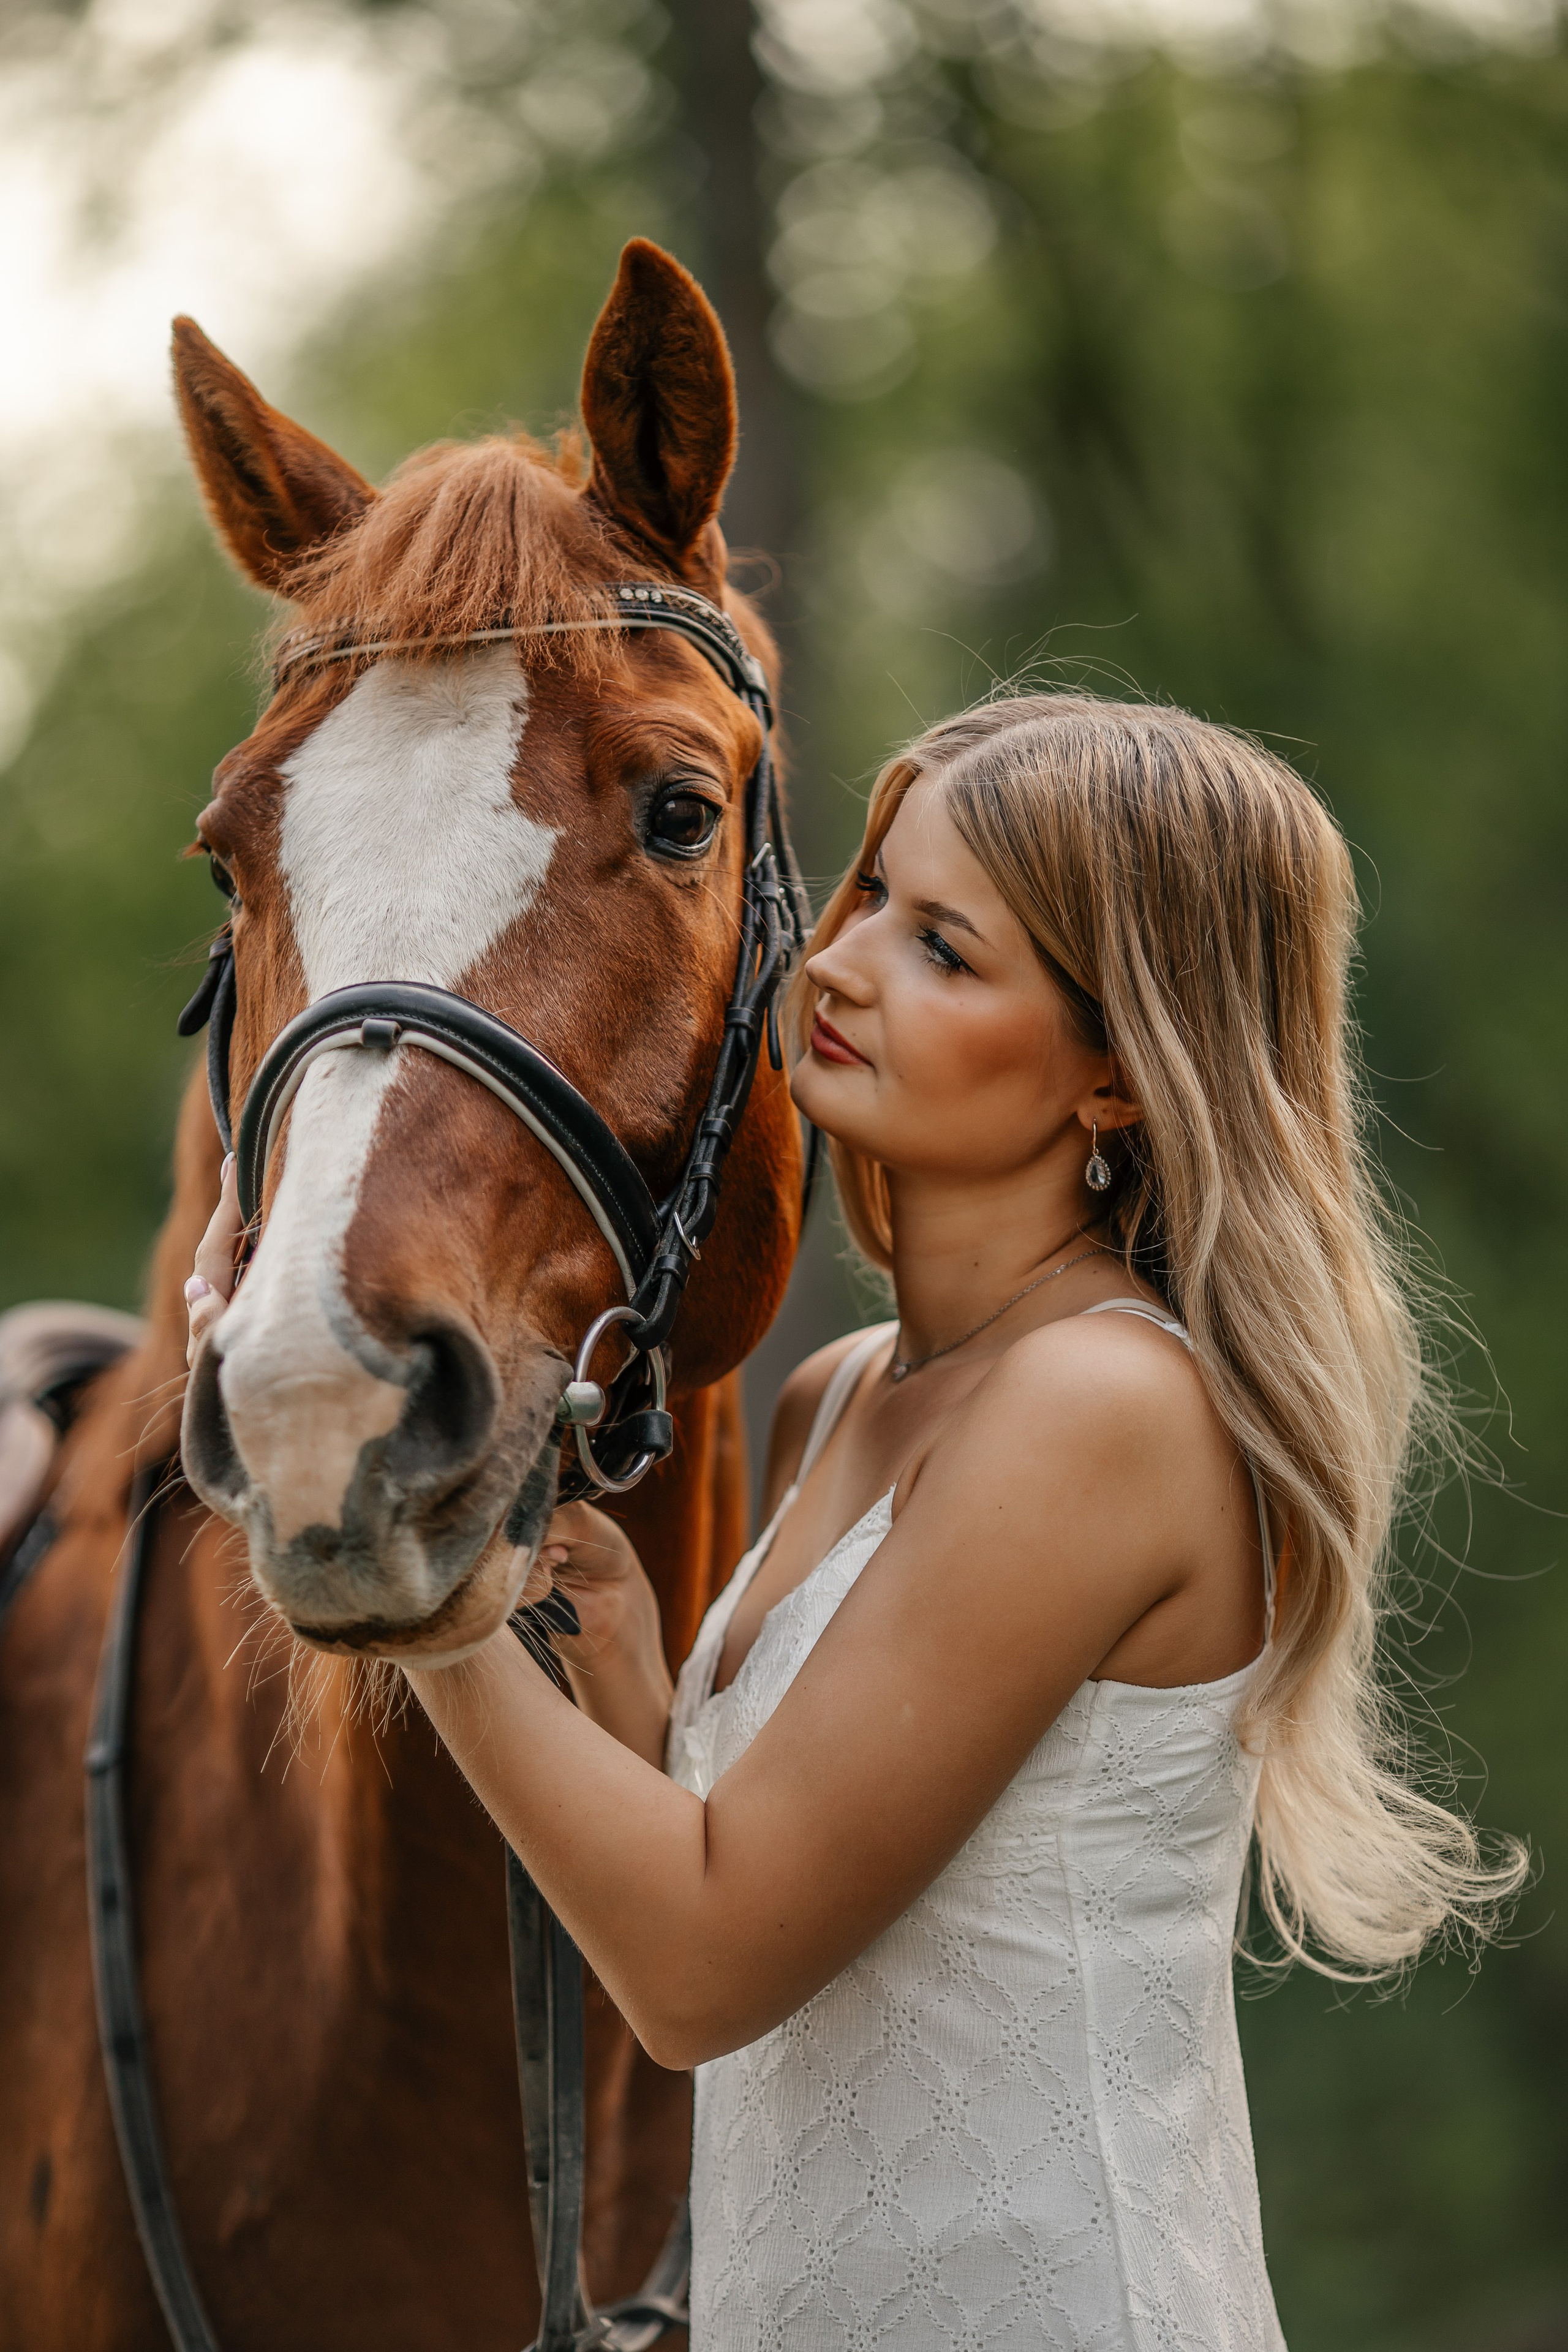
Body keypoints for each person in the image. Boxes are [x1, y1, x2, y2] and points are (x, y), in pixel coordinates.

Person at [187, 692, 1524, 2349]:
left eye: (947, 950)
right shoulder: (842, 1393)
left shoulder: (1104, 1408)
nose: (837, 964)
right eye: (871, 894)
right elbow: (770, 1888)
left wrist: (406, 1558)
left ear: (1119, 1074)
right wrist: (633, 1694)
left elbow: (701, 1966)